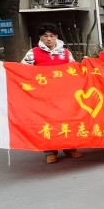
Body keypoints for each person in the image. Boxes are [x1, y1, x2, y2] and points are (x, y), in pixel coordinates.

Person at [22, 23, 84, 164]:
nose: (49, 39)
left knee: (67, 121)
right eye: (45, 36)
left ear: (56, 37)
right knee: (47, 123)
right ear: (40, 37)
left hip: (64, 95)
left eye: (52, 36)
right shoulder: (33, 53)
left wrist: (86, 63)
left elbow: (75, 70)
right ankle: (50, 151)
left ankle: (70, 148)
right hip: (43, 96)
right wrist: (3, 67)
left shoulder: (66, 53)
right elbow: (22, 70)